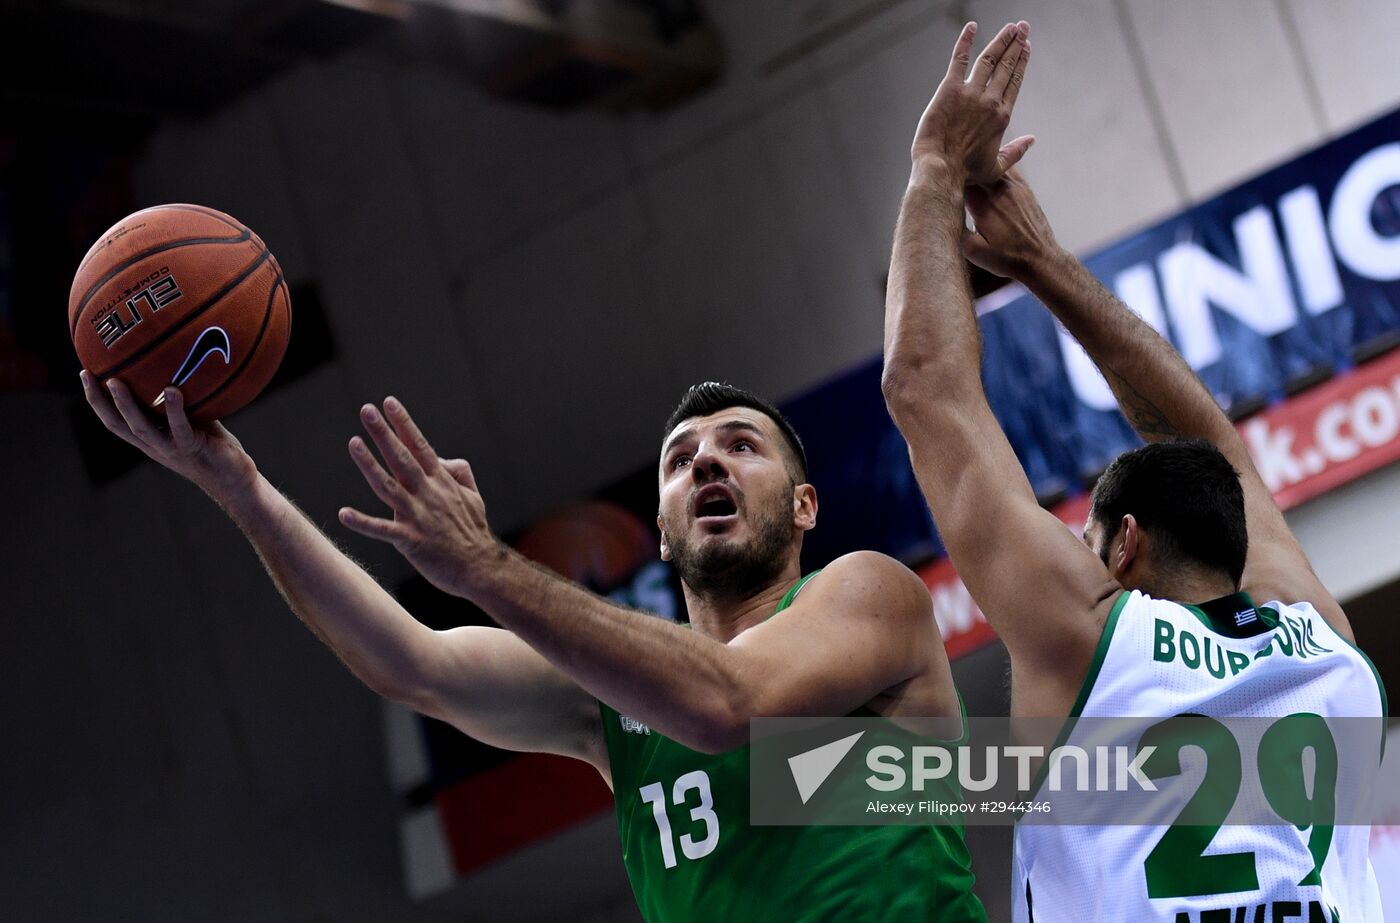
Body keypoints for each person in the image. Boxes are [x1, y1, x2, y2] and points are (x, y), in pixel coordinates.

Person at [82, 371, 987, 921]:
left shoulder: (870, 595)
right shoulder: (616, 701)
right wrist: (239, 490)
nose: (706, 462)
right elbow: (414, 664)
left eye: (741, 446)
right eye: (680, 459)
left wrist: (485, 566)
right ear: (663, 535)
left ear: (804, 506)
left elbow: (727, 704)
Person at [881, 21, 1385, 922]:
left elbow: (925, 389)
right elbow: (1221, 456)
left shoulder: (1092, 644)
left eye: (1086, 537)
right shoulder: (1327, 650)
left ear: (1124, 543)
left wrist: (933, 170)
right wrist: (1044, 262)